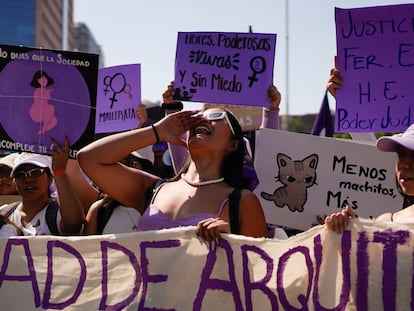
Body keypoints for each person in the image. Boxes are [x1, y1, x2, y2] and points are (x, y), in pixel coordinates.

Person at [78, 107, 268, 241]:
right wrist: (158, 131)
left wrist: (232, 242)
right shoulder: (153, 190)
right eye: (198, 117)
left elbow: (259, 272)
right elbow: (89, 159)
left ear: (233, 145)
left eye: (216, 116)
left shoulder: (242, 202)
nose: (202, 119)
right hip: (149, 299)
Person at [0, 137, 85, 236]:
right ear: (15, 182)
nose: (28, 179)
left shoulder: (58, 214)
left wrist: (59, 171)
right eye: (21, 174)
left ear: (50, 179)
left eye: (36, 172)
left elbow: (74, 223)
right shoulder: (4, 213)